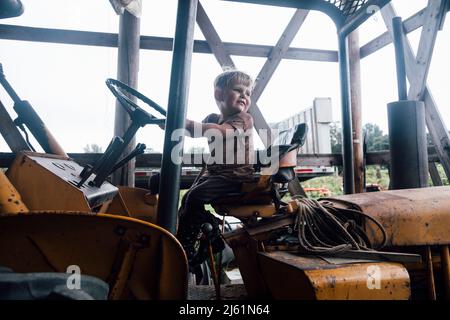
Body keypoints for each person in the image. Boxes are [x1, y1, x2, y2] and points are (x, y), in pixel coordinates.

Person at [176, 69, 255, 268]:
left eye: (248, 93)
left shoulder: (243, 119)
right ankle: (199, 239)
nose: (245, 95)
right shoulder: (213, 117)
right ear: (218, 94)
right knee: (187, 200)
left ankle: (198, 241)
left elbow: (220, 132)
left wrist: (185, 124)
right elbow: (199, 128)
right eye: (238, 90)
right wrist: (173, 124)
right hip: (217, 174)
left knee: (194, 198)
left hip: (236, 177)